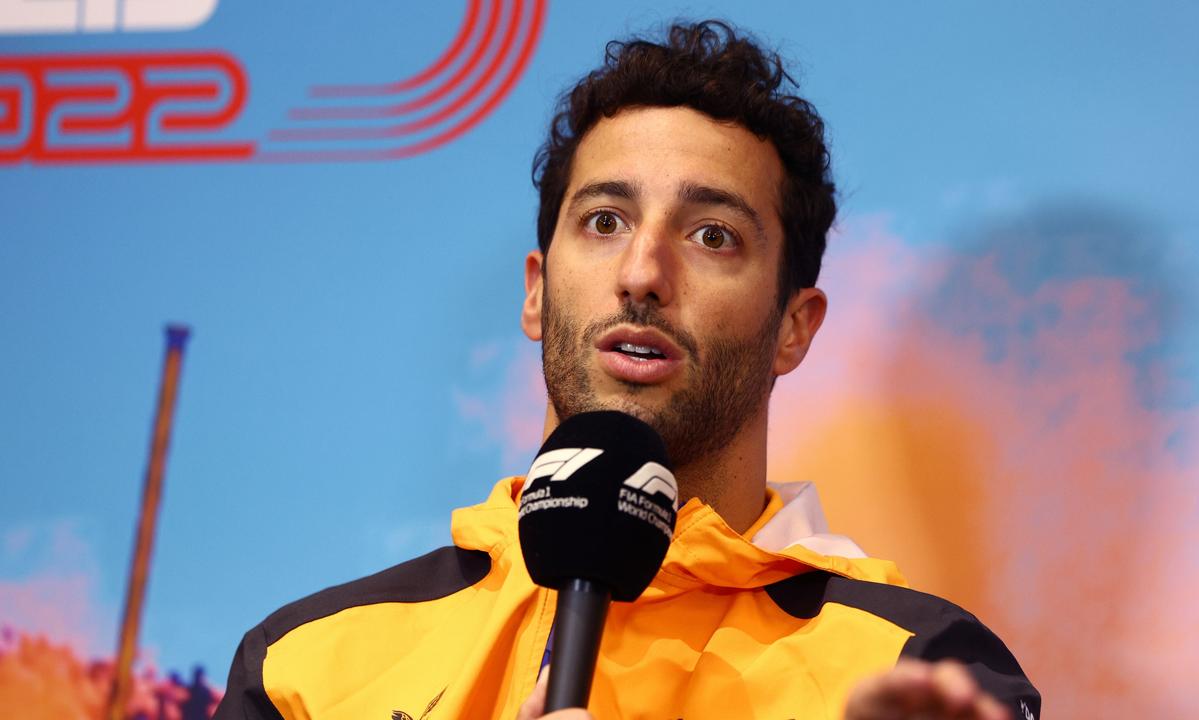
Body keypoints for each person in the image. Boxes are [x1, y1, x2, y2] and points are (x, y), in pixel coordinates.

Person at [213, 20, 1040, 720]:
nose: (643, 271)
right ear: (537, 291)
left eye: (712, 235)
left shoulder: (911, 668)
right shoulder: (307, 668)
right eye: (605, 220)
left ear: (796, 327)